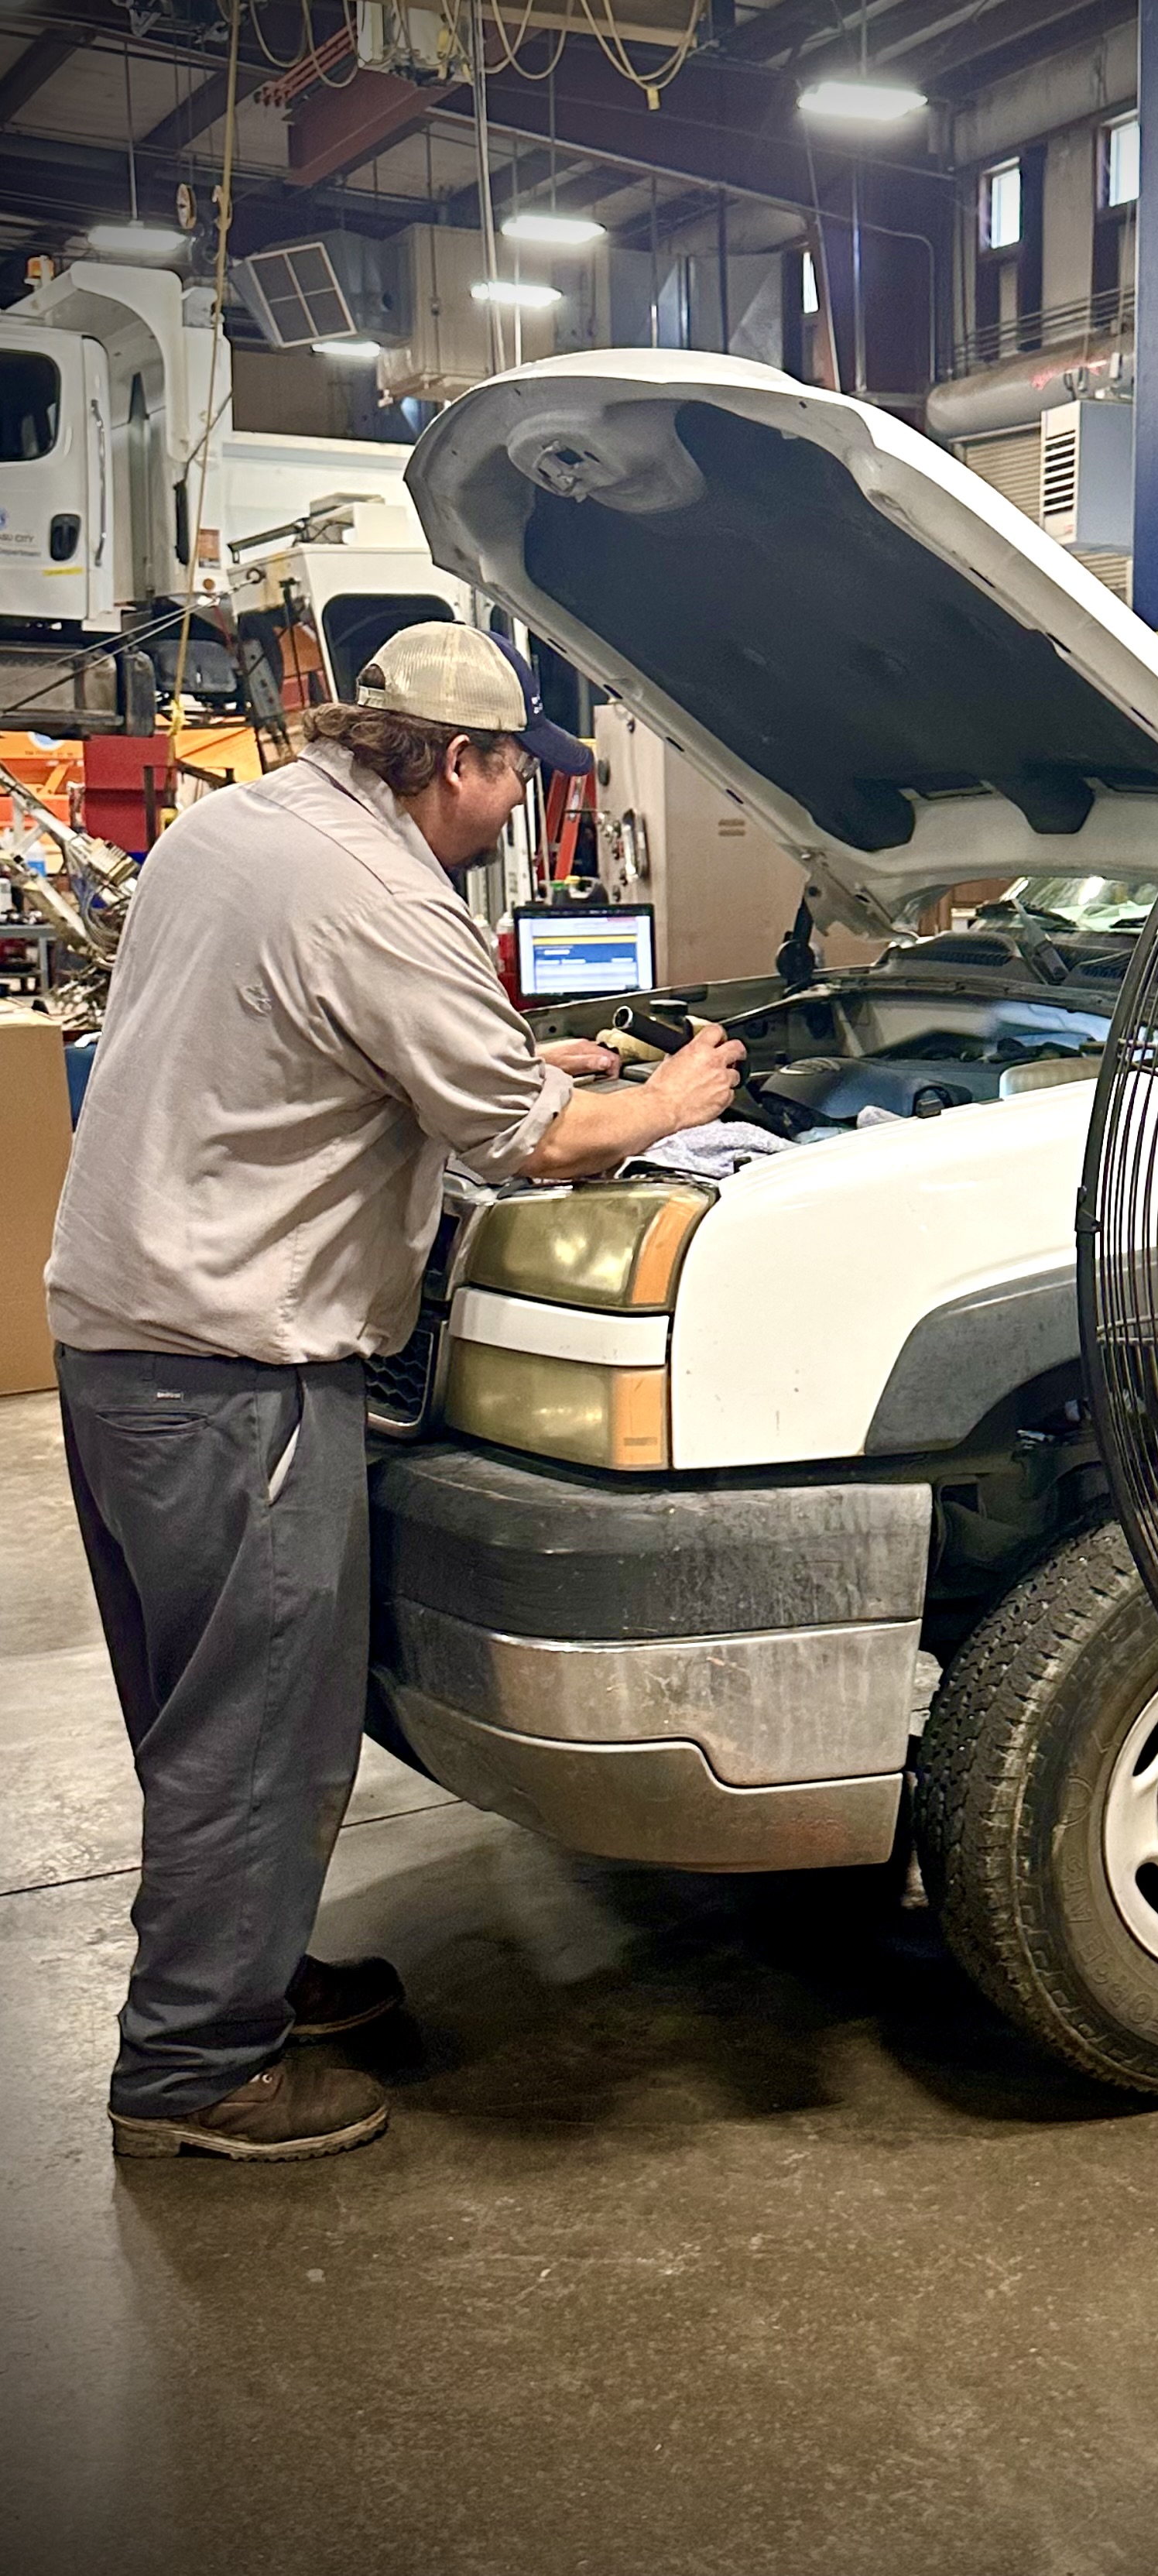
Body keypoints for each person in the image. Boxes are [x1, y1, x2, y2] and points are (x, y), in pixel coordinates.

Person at [46, 624, 745, 2163]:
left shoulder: (236, 826)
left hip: (123, 1342)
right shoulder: (382, 897)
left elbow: (318, 1046)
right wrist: (669, 1099)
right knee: (262, 1724)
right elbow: (524, 1138)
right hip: (236, 1361)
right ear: (449, 759)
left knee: (196, 1705)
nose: (516, 807)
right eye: (510, 774)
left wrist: (528, 1062)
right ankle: (196, 2069)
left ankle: (242, 1972)